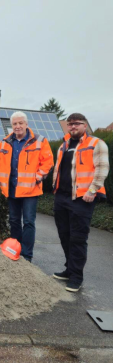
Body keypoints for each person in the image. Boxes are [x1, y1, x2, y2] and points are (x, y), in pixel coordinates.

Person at [52, 113, 109, 292]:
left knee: (77, 238)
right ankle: (69, 269)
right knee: (64, 235)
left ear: (85, 125)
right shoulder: (63, 146)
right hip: (62, 197)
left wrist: (92, 190)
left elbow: (102, 169)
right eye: (70, 124)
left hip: (82, 199)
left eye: (77, 124)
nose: (73, 127)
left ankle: (77, 277)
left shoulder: (96, 144)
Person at [0, 111, 53, 262]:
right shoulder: (5, 142)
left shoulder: (40, 141)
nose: (18, 126)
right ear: (11, 125)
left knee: (28, 222)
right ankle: (14, 251)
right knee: (14, 220)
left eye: (21, 123)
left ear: (26, 124)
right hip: (12, 188)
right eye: (15, 124)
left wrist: (39, 176)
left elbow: (48, 161)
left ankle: (27, 255)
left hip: (30, 190)